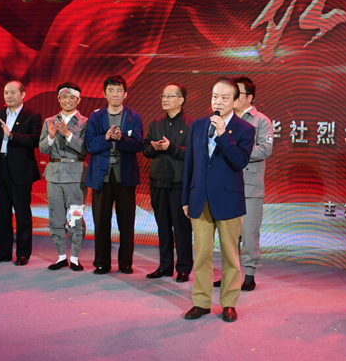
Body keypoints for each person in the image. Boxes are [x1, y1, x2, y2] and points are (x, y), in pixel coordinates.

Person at [182, 77, 255, 323]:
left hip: (228, 201)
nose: (218, 102)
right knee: (202, 254)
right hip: (199, 199)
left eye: (225, 98)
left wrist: (223, 134)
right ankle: (201, 302)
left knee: (230, 256)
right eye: (215, 96)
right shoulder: (198, 126)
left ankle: (229, 303)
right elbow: (190, 163)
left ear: (235, 101)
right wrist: (186, 198)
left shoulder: (245, 129)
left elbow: (240, 161)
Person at [85, 75, 144, 275]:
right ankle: (102, 263)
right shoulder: (96, 117)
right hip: (101, 177)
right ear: (104, 94)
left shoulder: (134, 117)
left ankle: (126, 263)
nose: (115, 94)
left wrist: (120, 140)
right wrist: (106, 137)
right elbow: (89, 145)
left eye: (119, 90)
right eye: (111, 90)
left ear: (125, 94)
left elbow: (137, 144)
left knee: (126, 222)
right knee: (101, 221)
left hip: (125, 176)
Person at [0, 81, 41, 265]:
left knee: (22, 213)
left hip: (20, 170)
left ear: (23, 94)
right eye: (6, 92)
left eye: (13, 92)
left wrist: (11, 135)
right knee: (1, 213)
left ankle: (23, 253)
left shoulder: (32, 116)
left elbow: (35, 140)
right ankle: (4, 251)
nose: (9, 96)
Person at [143, 82, 193, 282]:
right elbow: (146, 150)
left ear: (181, 100)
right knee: (162, 227)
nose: (165, 99)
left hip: (179, 183)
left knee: (181, 228)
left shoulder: (191, 125)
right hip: (158, 182)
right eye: (163, 96)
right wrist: (154, 148)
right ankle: (165, 266)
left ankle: (183, 268)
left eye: (170, 96)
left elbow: (192, 153)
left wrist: (171, 148)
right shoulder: (156, 124)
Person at [39, 82, 89, 272]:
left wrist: (67, 134)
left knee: (76, 217)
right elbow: (43, 149)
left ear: (78, 100)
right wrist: (51, 136)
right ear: (59, 99)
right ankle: (61, 256)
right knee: (56, 218)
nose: (68, 100)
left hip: (75, 175)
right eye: (64, 97)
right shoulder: (49, 121)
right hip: (53, 175)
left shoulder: (85, 122)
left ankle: (75, 257)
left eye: (72, 97)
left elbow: (85, 148)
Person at [233, 76, 273, 292]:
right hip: (226, 184)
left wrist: (236, 152)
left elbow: (265, 150)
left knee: (248, 234)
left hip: (250, 187)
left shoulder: (261, 121)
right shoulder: (225, 118)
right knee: (228, 234)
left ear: (250, 97)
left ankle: (249, 274)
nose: (233, 97)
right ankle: (230, 273)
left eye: (237, 93)